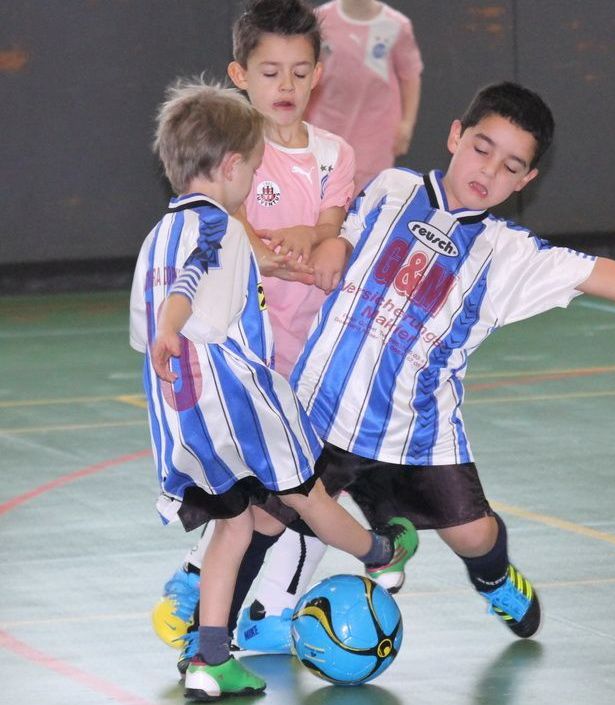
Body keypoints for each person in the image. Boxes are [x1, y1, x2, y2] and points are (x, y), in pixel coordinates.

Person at [291, 81, 615, 638]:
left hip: (416, 428)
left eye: (510, 166)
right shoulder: (391, 188)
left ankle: (496, 580)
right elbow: (340, 234)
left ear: (527, 180)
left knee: (473, 536)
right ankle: (222, 619)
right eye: (482, 148)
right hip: (320, 407)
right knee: (273, 518)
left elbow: (592, 271)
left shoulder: (508, 253)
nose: (488, 172)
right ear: (456, 135)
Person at [131, 77, 418, 699]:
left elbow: (179, 287)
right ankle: (379, 551)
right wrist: (173, 327)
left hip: (179, 415)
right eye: (252, 172)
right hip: (237, 399)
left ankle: (210, 658)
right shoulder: (217, 228)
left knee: (233, 528)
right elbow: (191, 279)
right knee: (311, 497)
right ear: (231, 167)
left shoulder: (157, 234)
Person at [149, 0, 381, 660]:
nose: (286, 86)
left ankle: (270, 611)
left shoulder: (336, 152)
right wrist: (289, 248)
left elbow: (331, 233)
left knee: (312, 490)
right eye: (270, 71)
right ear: (239, 75)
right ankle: (192, 585)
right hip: (250, 356)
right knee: (254, 491)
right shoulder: (233, 155)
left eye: (299, 72)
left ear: (319, 75)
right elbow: (239, 236)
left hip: (317, 354)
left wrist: (314, 241)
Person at [305, 0, 423, 192]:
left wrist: (407, 124)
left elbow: (410, 76)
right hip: (324, 128)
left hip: (375, 137)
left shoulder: (396, 26)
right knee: (320, 194)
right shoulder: (318, 21)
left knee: (364, 199)